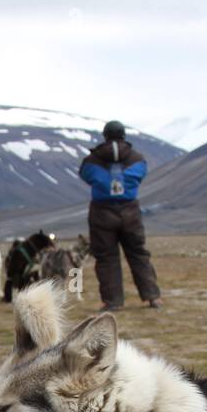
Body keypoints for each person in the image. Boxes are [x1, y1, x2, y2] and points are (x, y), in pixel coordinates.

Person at [78, 120, 161, 309]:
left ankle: (112, 301)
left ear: (105, 135)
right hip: (130, 211)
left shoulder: (92, 160)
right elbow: (141, 173)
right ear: (123, 134)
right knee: (138, 254)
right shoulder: (137, 159)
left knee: (106, 257)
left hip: (102, 212)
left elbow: (85, 175)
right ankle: (152, 297)